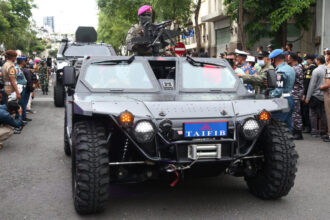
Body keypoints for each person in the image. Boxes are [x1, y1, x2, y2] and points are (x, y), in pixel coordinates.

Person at [269, 49, 296, 131]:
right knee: (288, 126)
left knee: (277, 126)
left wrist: (270, 95)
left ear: (273, 59)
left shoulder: (280, 71)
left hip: (282, 101)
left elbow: (279, 90)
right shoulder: (290, 68)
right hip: (289, 98)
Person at [305, 55, 327, 138]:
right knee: (323, 114)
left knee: (313, 113)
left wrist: (307, 97)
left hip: (315, 95)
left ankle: (314, 131)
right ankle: (323, 131)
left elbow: (312, 85)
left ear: (318, 61)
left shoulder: (316, 71)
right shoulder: (327, 70)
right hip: (324, 95)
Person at [288, 53, 304, 140]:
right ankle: (296, 130)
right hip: (296, 92)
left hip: (296, 92)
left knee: (296, 113)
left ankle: (298, 132)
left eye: (289, 58)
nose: (287, 59)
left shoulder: (295, 68)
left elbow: (292, 80)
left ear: (292, 59)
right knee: (295, 113)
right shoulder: (298, 67)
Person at [302, 54, 316, 133]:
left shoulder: (310, 69)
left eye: (306, 60)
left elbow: (307, 83)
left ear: (310, 60)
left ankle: (308, 127)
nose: (305, 61)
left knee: (306, 110)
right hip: (312, 93)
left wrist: (304, 94)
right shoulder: (313, 68)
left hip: (308, 93)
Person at [16, 57, 32, 122]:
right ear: (22, 61)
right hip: (21, 88)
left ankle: (23, 117)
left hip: (23, 87)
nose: (26, 62)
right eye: (25, 61)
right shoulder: (17, 69)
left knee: (23, 104)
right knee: (21, 103)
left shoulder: (20, 69)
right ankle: (21, 118)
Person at [320, 53, 330, 142]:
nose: (326, 57)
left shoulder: (328, 68)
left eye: (327, 55)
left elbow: (327, 84)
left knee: (329, 114)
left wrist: (321, 87)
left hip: (328, 93)